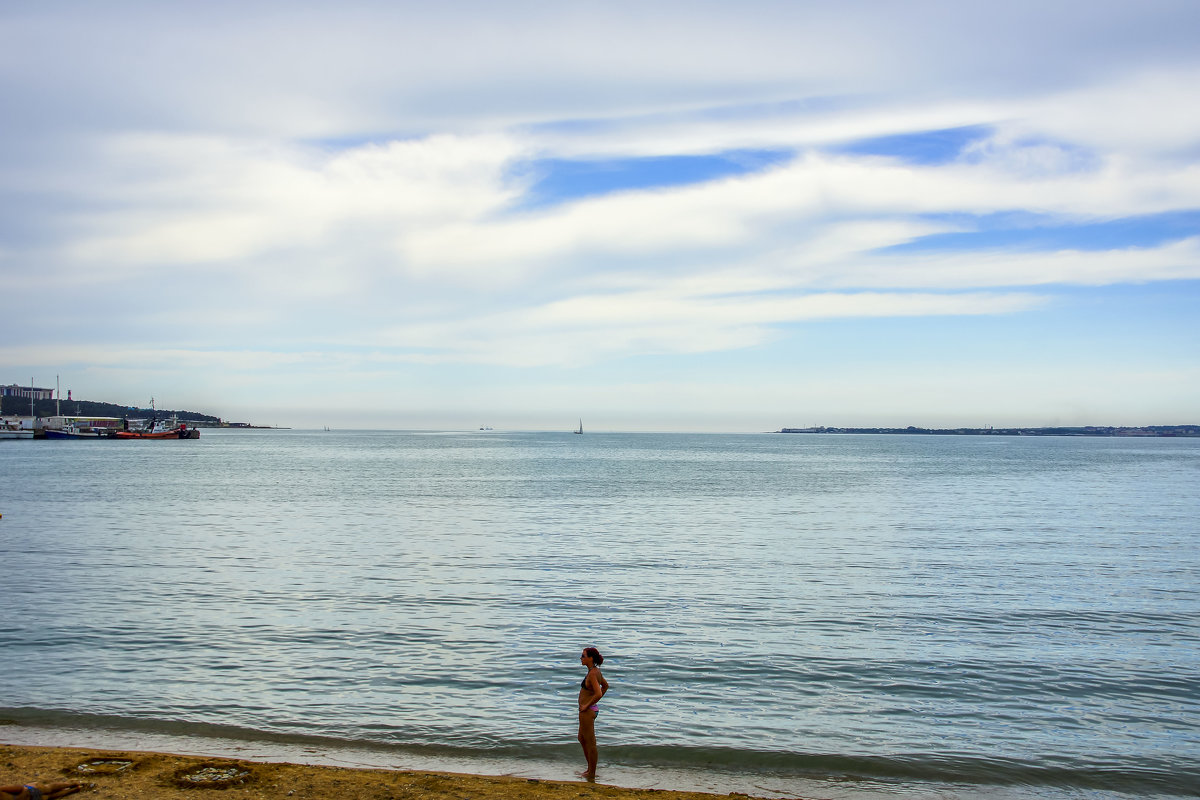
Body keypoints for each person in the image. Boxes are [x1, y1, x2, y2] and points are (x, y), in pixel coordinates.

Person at [577, 645, 609, 780]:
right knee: (581, 738)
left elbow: (598, 692)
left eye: (583, 656)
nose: (581, 658)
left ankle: (591, 773)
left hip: (587, 711)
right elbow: (606, 686)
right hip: (588, 709)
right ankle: (589, 769)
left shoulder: (593, 674)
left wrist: (587, 705)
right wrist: (591, 703)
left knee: (590, 742)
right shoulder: (594, 671)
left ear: (590, 658)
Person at [0, 782, 85, 800]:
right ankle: (73, 785)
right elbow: (19, 788)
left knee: (50, 795)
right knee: (50, 789)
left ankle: (73, 789)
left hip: (31, 797)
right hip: (30, 792)